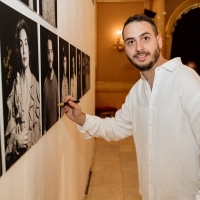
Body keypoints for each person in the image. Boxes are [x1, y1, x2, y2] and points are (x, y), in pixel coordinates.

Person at [63, 14, 200, 199]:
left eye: (145, 38)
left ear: (159, 41)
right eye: (130, 42)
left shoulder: (186, 81)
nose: (139, 48)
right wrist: (82, 118)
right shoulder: (137, 92)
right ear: (125, 48)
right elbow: (116, 127)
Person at [5, 19, 41, 168]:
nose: (24, 50)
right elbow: (8, 137)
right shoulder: (15, 88)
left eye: (26, 43)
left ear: (30, 47)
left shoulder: (37, 86)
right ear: (18, 50)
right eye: (20, 44)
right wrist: (16, 141)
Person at [43, 34, 58, 134]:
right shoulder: (44, 82)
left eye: (51, 52)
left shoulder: (56, 79)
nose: (50, 57)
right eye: (48, 52)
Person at [61, 45, 69, 116]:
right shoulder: (61, 80)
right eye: (64, 61)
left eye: (66, 61)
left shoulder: (66, 79)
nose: (65, 64)